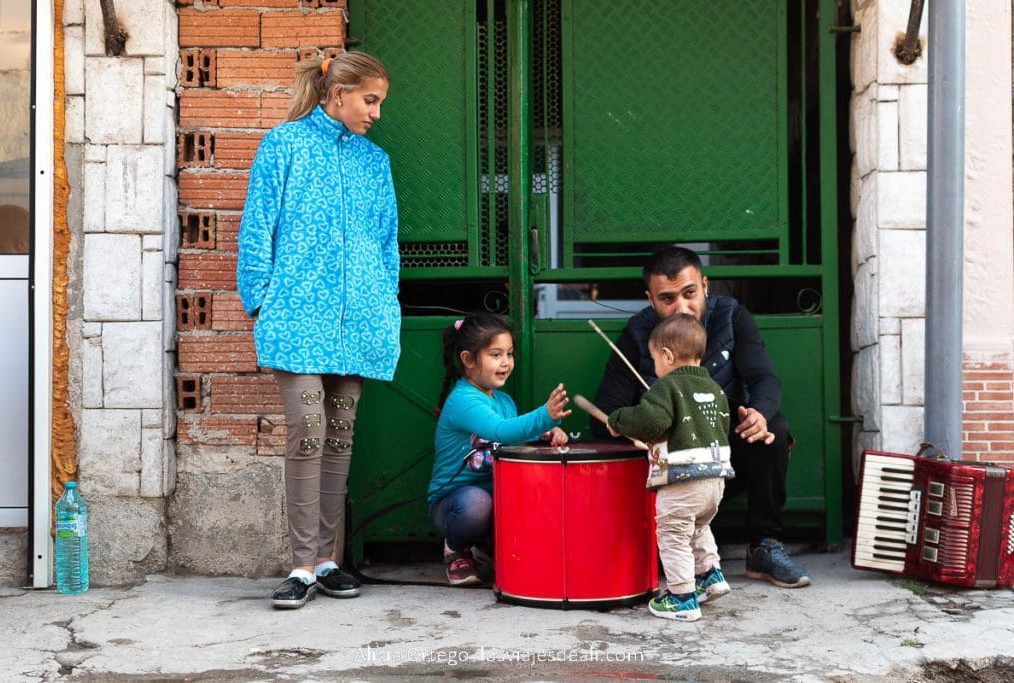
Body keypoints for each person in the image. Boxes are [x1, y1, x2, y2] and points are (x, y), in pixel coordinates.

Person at [236, 52, 398, 609]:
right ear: (338, 92)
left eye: (379, 102)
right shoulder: (282, 146)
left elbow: (386, 243)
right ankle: (301, 565)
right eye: (369, 100)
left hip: (358, 323)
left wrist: (385, 304)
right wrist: (260, 298)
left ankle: (328, 560)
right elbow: (258, 225)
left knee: (339, 435)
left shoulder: (375, 162)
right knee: (307, 426)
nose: (375, 113)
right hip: (297, 316)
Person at [591, 245, 810, 589]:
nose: (682, 307)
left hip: (725, 460)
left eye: (690, 293)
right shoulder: (637, 334)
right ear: (650, 299)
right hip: (669, 469)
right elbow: (603, 412)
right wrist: (642, 429)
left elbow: (764, 378)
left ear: (705, 285)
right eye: (667, 299)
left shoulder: (731, 317)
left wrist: (760, 413)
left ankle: (764, 544)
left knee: (774, 428)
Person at [428, 312, 571, 586]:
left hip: (499, 496)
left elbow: (512, 439)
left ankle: (489, 549)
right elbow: (499, 431)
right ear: (468, 360)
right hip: (454, 503)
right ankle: (455, 549)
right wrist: (544, 415)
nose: (505, 362)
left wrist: (545, 433)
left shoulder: (504, 401)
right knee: (476, 503)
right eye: (495, 355)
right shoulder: (463, 400)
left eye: (509, 353)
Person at [607, 314, 734, 621]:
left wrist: (618, 420)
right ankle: (710, 576)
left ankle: (682, 597)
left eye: (654, 359)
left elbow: (650, 421)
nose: (654, 366)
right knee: (699, 527)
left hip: (682, 482)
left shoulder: (666, 388)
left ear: (666, 355)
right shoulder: (715, 390)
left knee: (673, 535)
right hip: (715, 481)